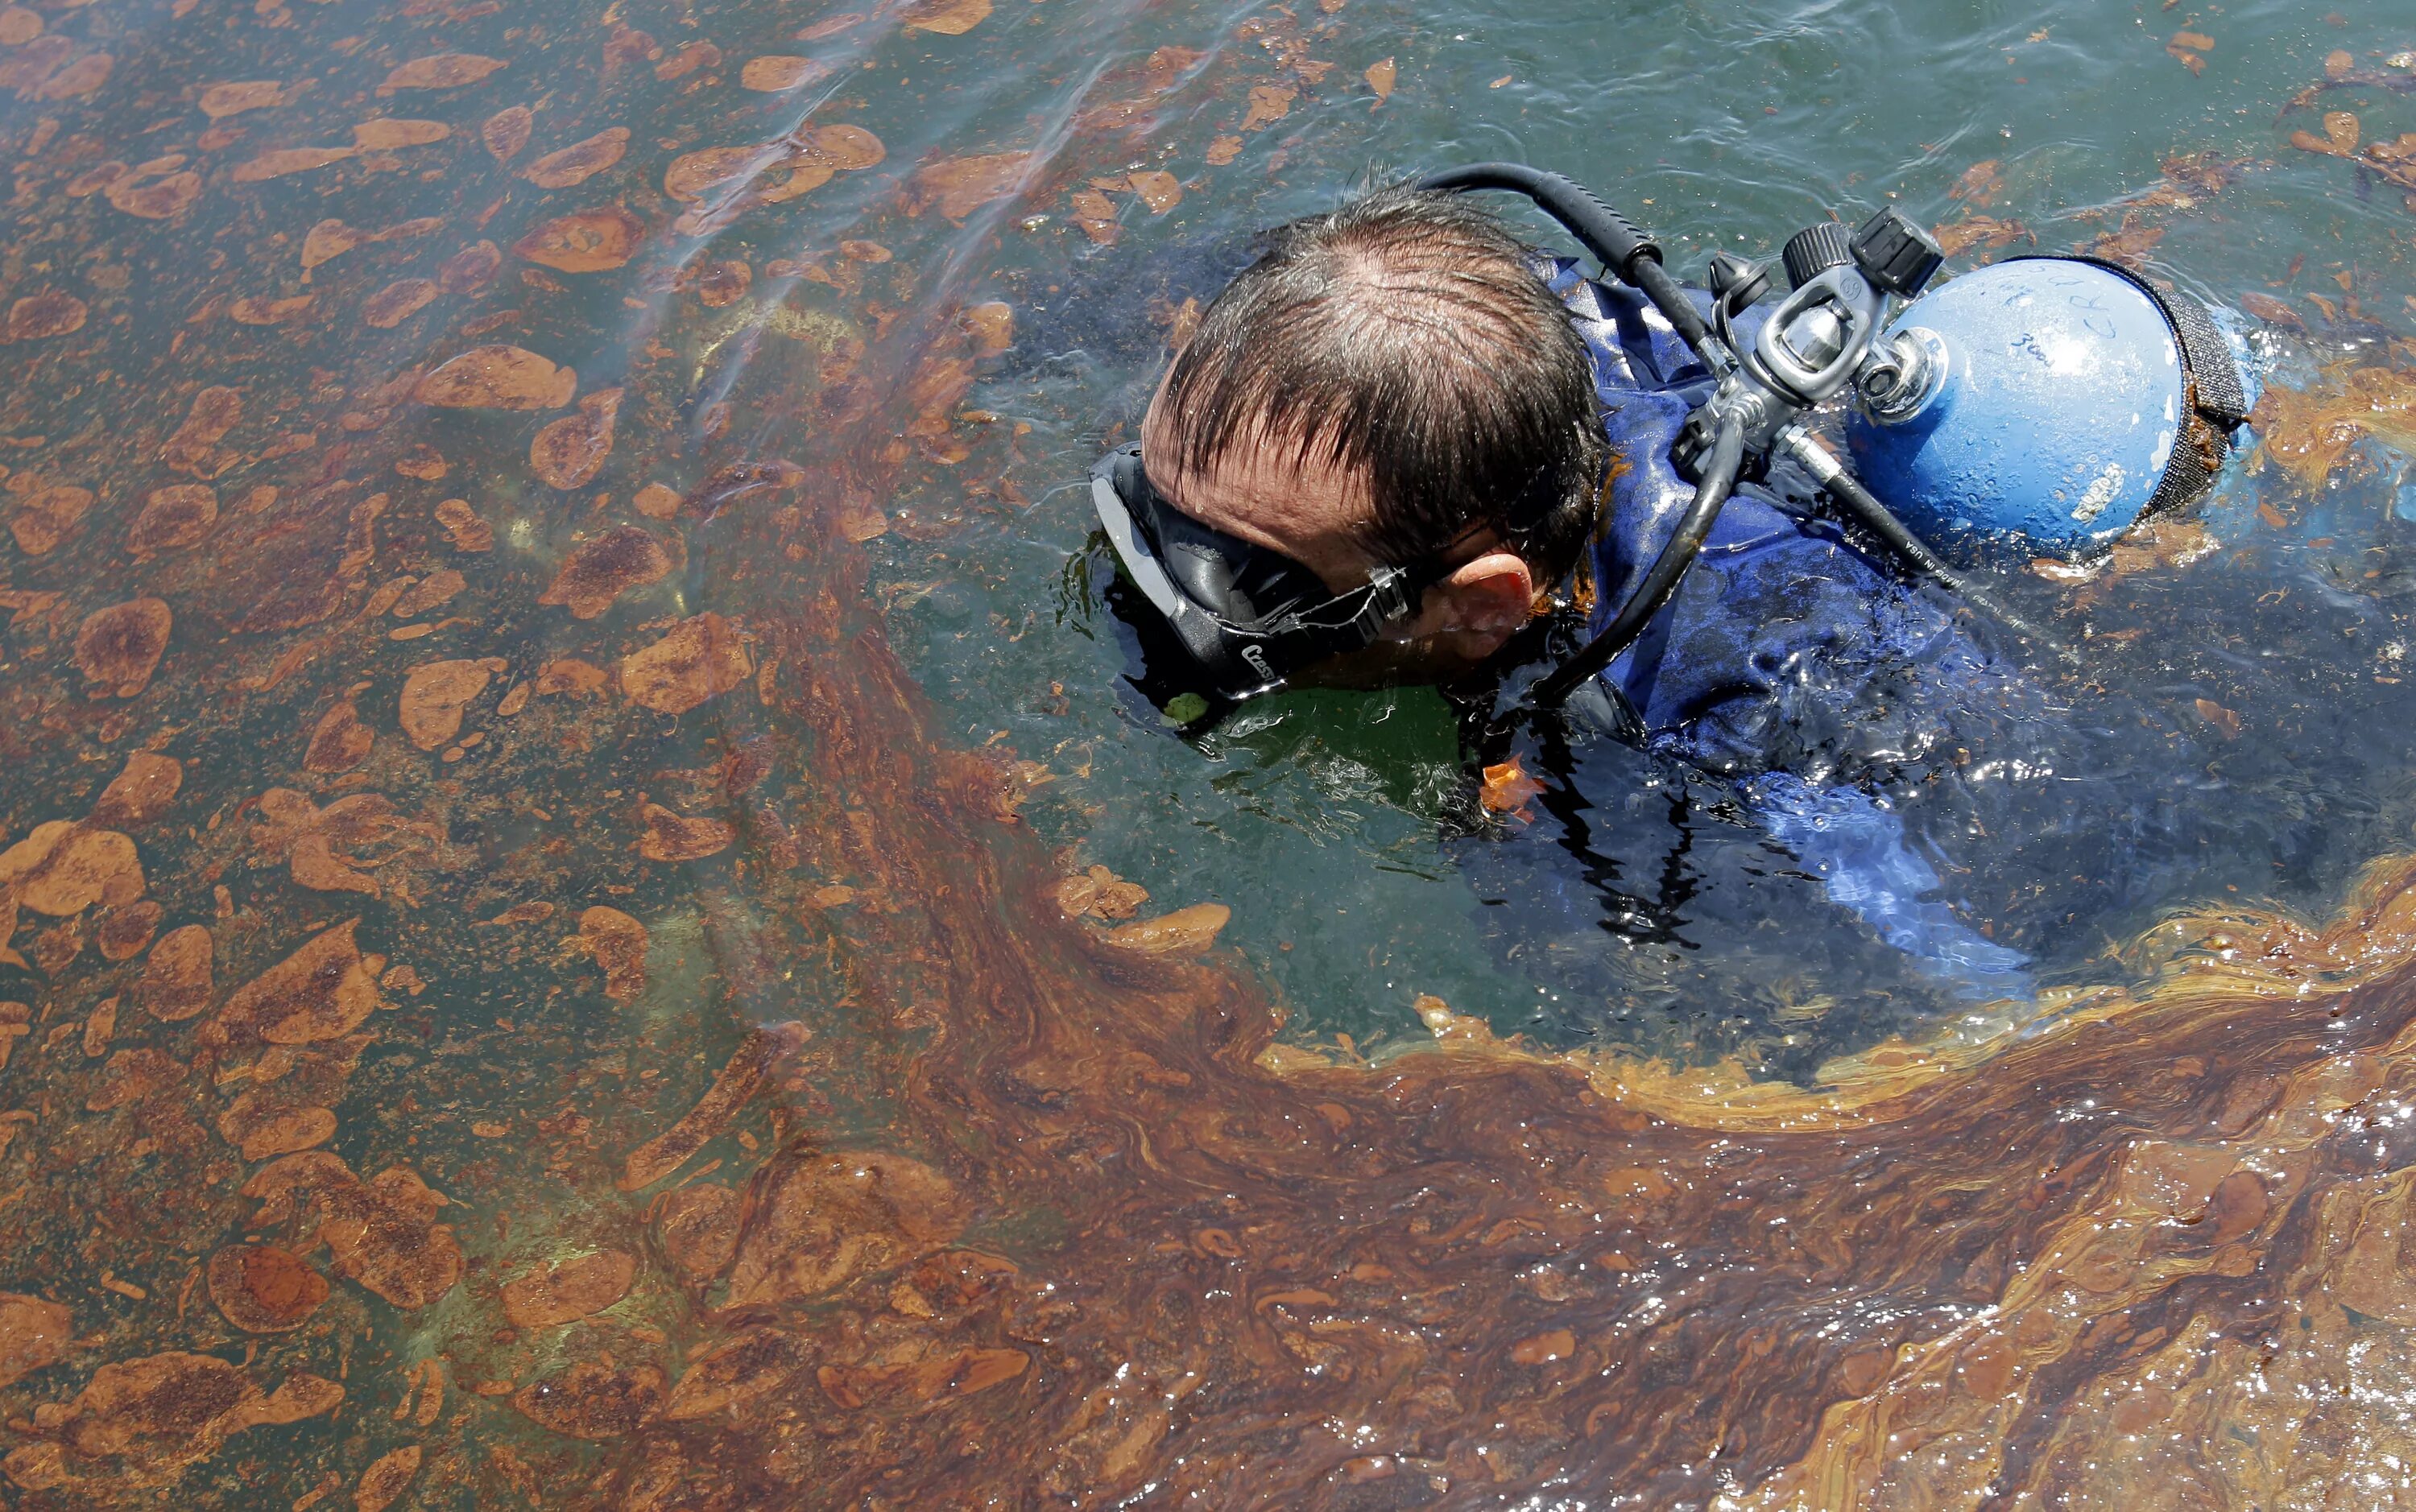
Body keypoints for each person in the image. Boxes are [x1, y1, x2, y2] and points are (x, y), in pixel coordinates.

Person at [1088, 184, 2258, 1014]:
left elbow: (1998, 987)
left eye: (1253, 582)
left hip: (2143, 522)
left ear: (1488, 602)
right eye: (1148, 500)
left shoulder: (1766, 679)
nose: (1164, 592)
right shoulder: (1435, 324)